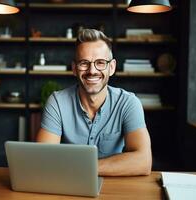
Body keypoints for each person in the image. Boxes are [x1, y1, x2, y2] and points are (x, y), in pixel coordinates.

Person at [36, 29, 152, 176]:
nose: (92, 71)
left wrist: (84, 168)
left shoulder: (128, 103)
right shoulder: (57, 102)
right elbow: (42, 159)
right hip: (69, 188)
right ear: (74, 68)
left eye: (100, 63)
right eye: (84, 63)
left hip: (113, 189)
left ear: (112, 67)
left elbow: (143, 162)